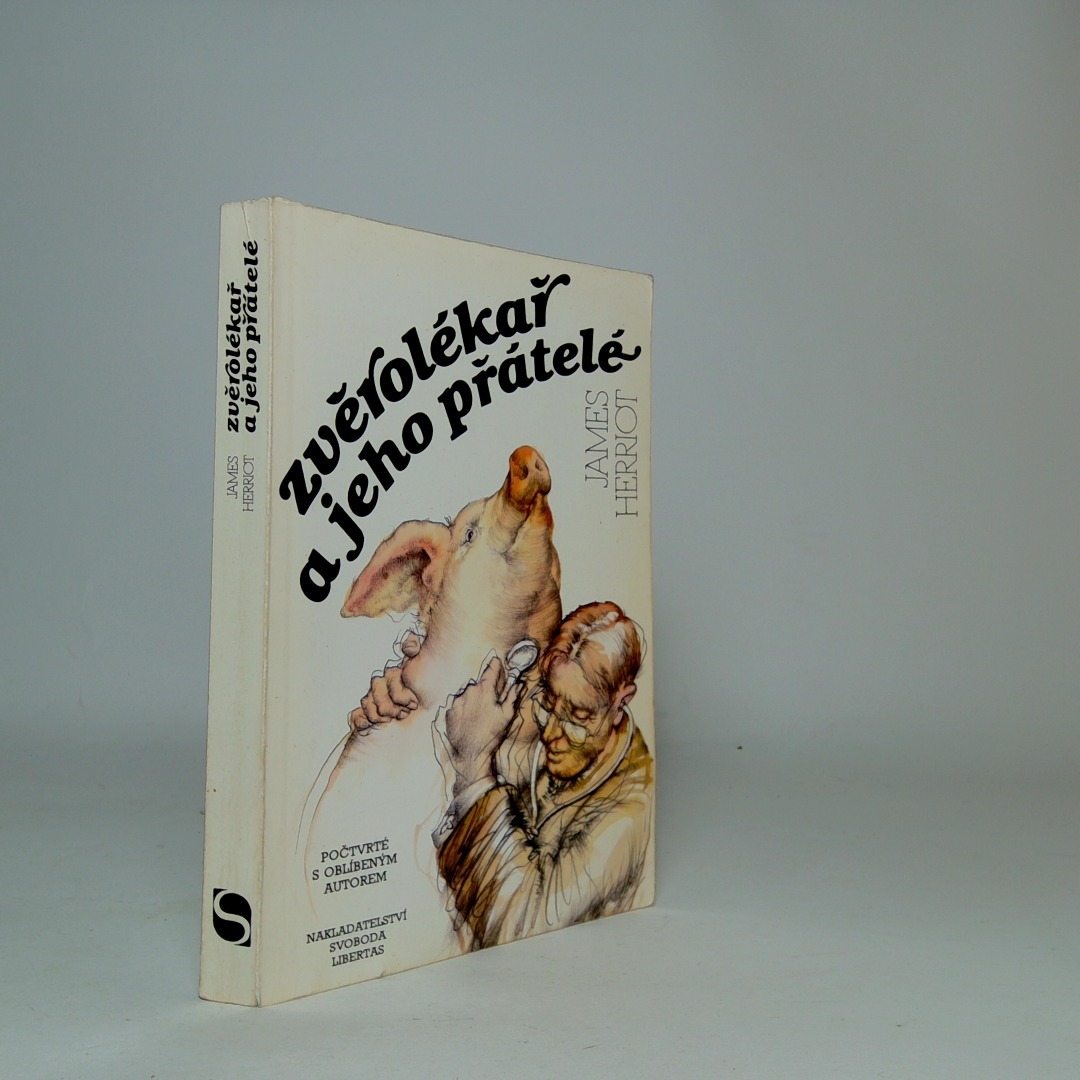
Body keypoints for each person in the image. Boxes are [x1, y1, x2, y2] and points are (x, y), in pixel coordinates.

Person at [359, 601, 653, 950]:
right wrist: (411, 693)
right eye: (550, 703)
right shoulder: (546, 723)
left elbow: (521, 926)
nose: (550, 734)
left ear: (621, 702)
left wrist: (474, 771)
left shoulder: (629, 813)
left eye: (578, 716)